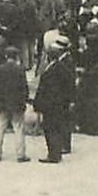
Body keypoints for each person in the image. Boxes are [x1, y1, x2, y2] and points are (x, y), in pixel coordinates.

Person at [33, 35, 76, 163]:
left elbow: (47, 87)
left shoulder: (56, 68)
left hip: (52, 104)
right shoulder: (56, 66)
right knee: (55, 127)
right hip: (56, 103)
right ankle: (56, 152)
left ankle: (54, 154)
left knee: (51, 128)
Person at [0, 45, 31, 162]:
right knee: (18, 129)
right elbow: (24, 88)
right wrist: (25, 100)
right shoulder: (20, 70)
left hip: (2, 103)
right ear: (16, 56)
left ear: (6, 56)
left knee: (0, 128)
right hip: (17, 104)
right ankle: (20, 154)